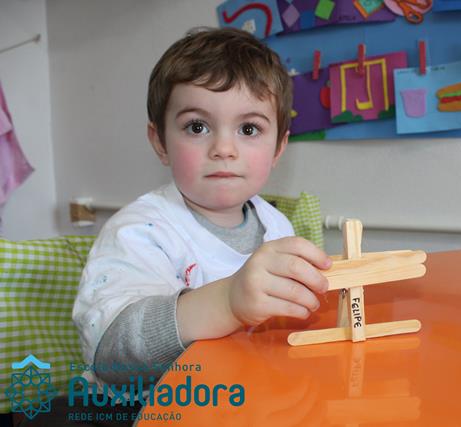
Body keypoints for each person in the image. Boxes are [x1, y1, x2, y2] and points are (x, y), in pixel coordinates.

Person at [21, 26, 332, 427]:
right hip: (134, 408)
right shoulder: (139, 231)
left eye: (249, 129)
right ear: (160, 142)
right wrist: (226, 302)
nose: (224, 149)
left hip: (238, 403)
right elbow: (112, 352)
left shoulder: (277, 226)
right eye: (197, 127)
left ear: (278, 148)